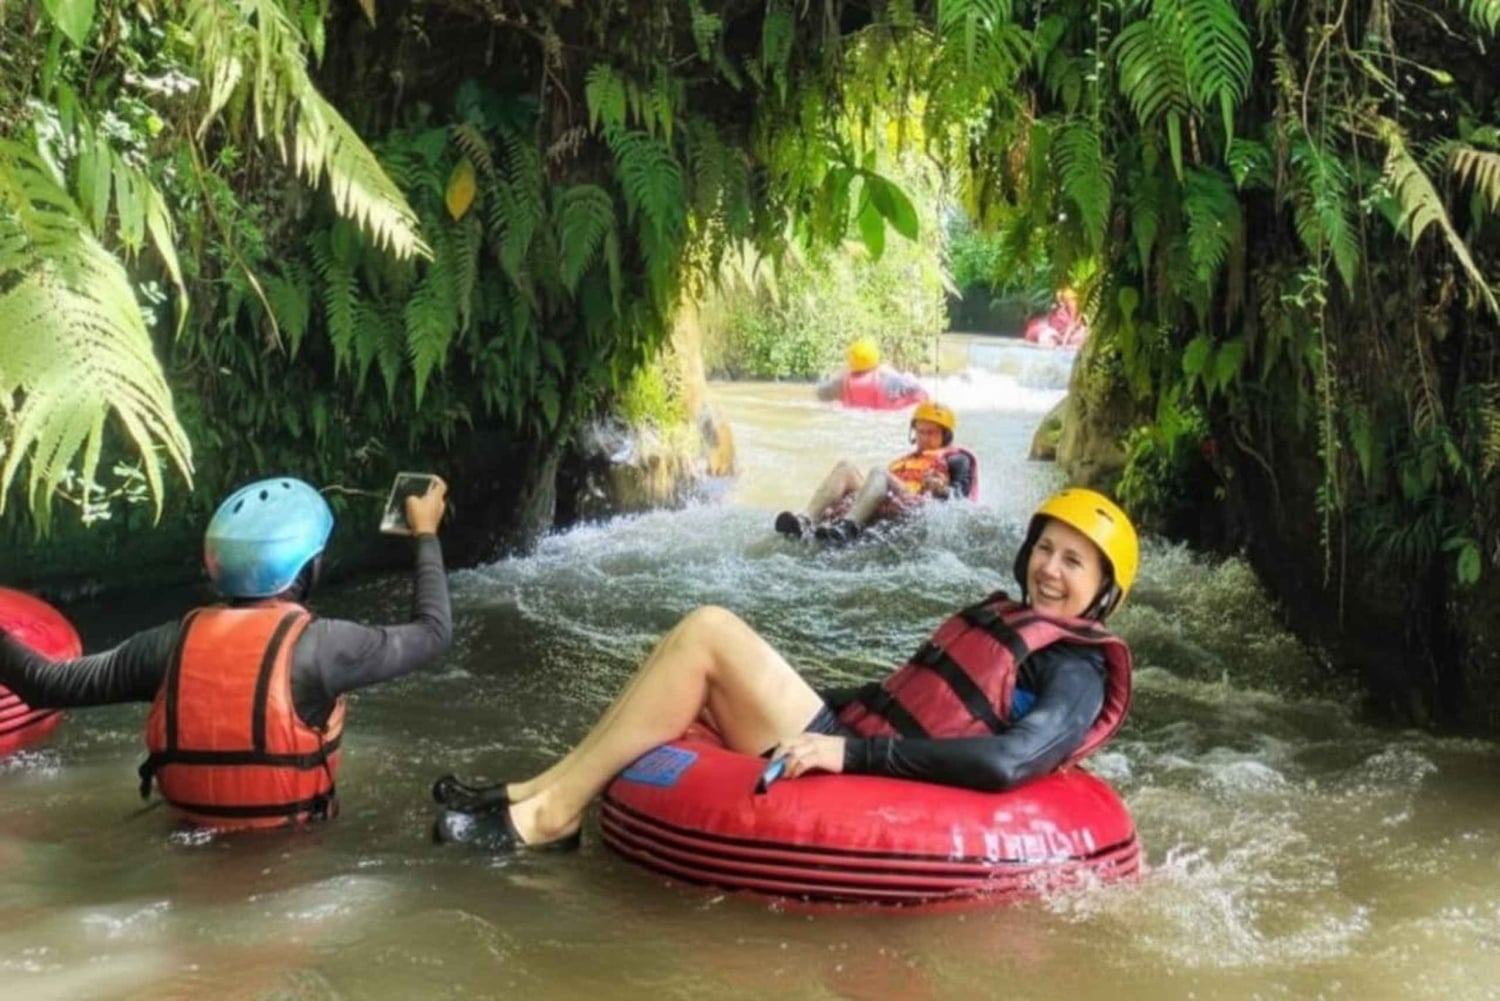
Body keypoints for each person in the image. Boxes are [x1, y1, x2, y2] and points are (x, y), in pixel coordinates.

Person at [431, 487, 1138, 853]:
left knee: (709, 629)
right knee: (694, 641)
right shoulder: (1009, 620)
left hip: (868, 770)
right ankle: (538, 789)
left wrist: (848, 749)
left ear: (1103, 591)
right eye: (1045, 548)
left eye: (1073, 561)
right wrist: (813, 703)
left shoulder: (1077, 669)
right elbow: (901, 695)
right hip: (846, 737)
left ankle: (553, 815)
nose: (1049, 568)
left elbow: (1012, 760)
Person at [0, 475, 453, 831]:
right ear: (310, 569)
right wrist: (426, 534)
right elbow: (432, 631)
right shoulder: (323, 647)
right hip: (293, 859)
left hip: (186, 849)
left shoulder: (170, 643)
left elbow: (43, 684)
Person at [772, 401, 977, 543]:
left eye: (930, 432)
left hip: (916, 503)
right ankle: (805, 520)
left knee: (879, 472)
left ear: (946, 435)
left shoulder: (957, 458)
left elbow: (961, 497)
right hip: (891, 500)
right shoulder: (904, 460)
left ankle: (848, 527)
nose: (923, 437)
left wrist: (941, 488)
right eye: (920, 431)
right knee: (846, 467)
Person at [816, 337, 929, 410]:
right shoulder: (886, 374)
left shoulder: (841, 382)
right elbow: (920, 393)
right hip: (887, 413)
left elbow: (821, 395)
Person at [1024, 289, 1088, 348]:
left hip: (1064, 336)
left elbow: (1074, 324)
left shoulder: (1076, 313)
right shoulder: (1058, 313)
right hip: (1053, 334)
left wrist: (1065, 340)